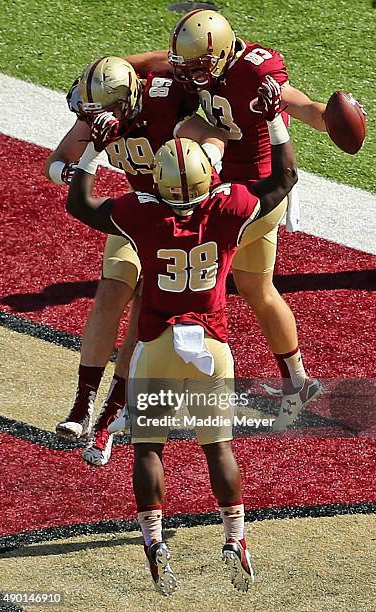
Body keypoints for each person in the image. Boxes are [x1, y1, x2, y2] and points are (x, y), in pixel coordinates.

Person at [64, 77, 297, 594]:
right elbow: (284, 179)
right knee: (218, 449)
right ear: (208, 177)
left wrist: (95, 153)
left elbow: (78, 205)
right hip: (212, 347)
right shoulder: (228, 209)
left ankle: (154, 539)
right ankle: (235, 536)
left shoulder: (140, 214)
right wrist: (275, 119)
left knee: (149, 449)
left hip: (156, 343)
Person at [127, 9, 328, 431]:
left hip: (254, 194)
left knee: (180, 269)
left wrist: (331, 118)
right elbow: (158, 63)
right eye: (188, 68)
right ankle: (299, 380)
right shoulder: (199, 60)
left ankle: (150, 390)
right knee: (258, 288)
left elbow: (305, 107)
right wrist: (118, 67)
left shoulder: (256, 73)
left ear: (220, 54)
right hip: (228, 186)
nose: (192, 77)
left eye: (199, 68)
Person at [45, 56, 226, 465]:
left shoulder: (164, 106)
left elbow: (215, 137)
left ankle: (110, 416)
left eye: (102, 112)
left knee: (144, 313)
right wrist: (84, 158)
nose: (96, 118)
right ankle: (82, 402)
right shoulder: (98, 116)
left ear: (128, 100)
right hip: (137, 213)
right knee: (111, 293)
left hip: (176, 216)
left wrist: (201, 169)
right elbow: (55, 163)